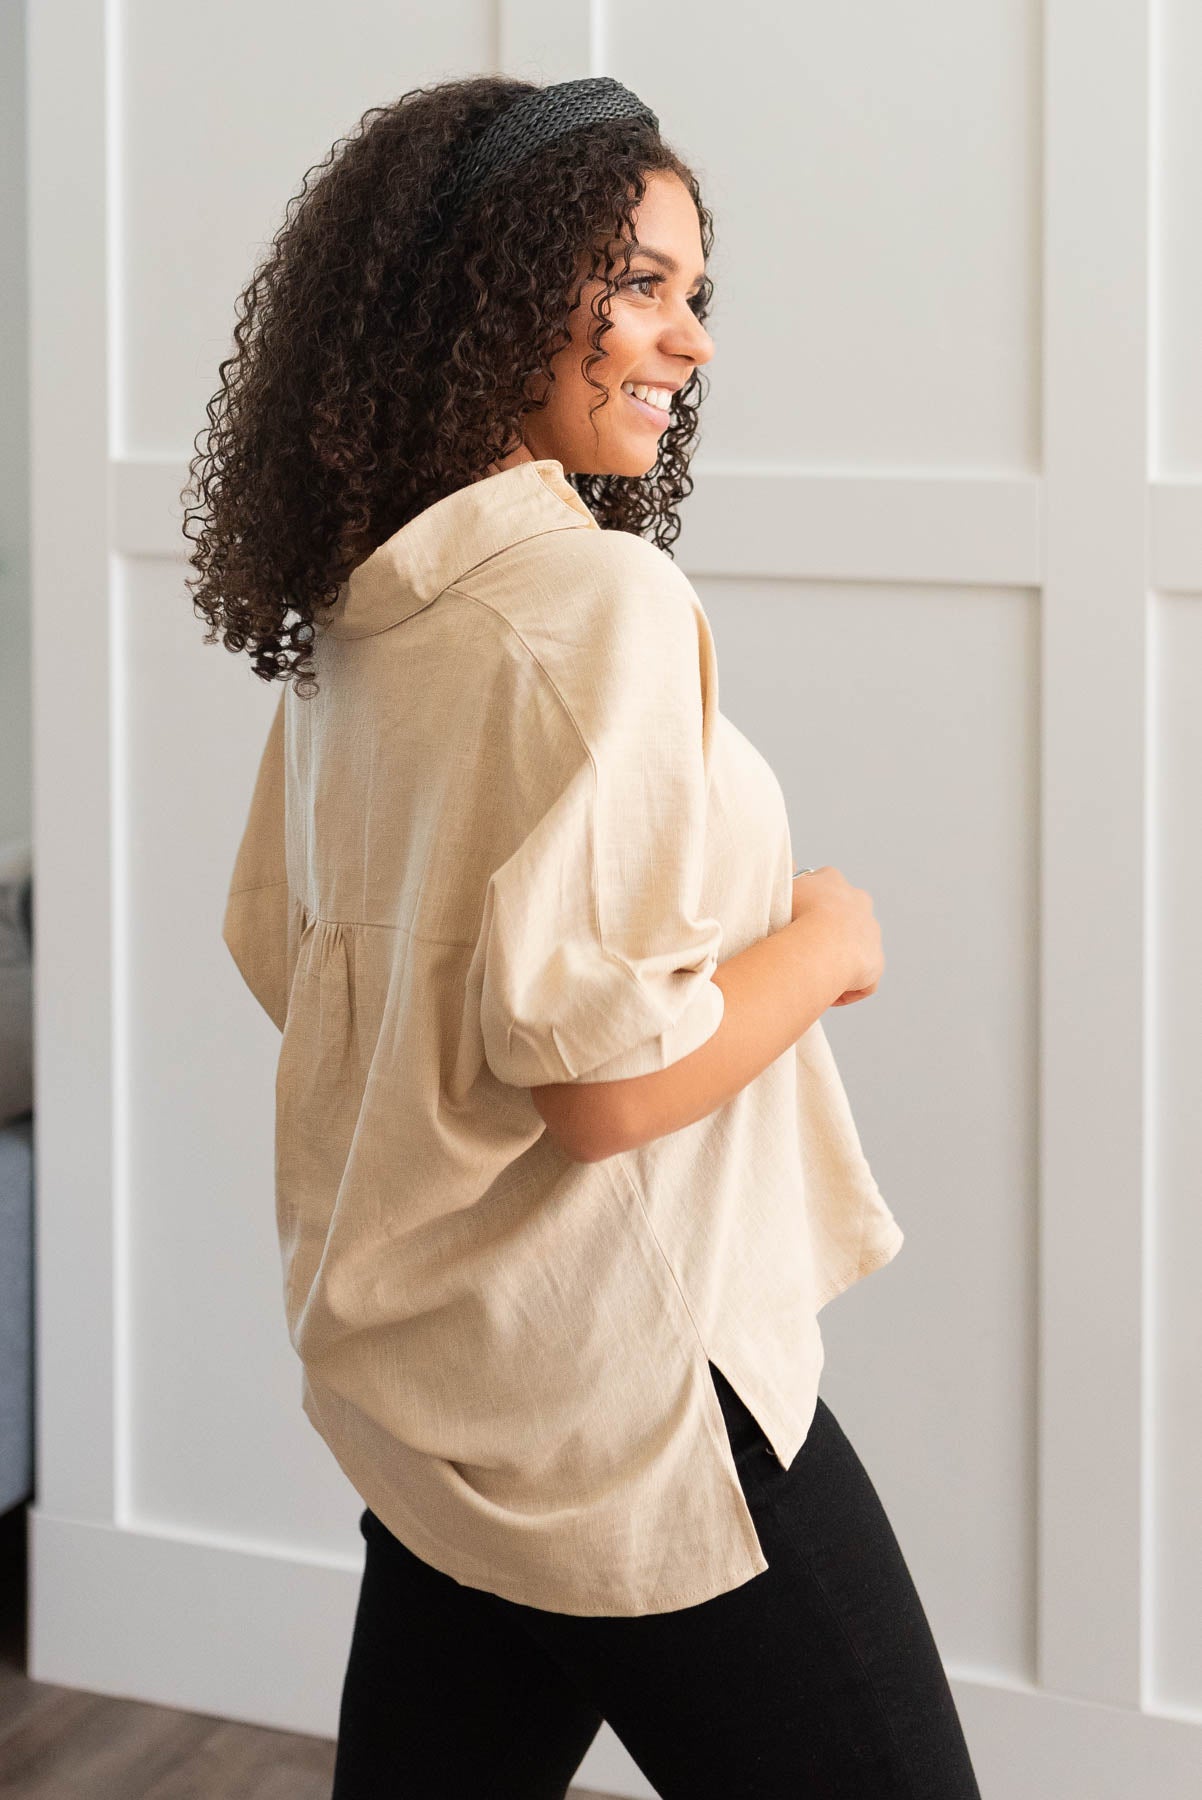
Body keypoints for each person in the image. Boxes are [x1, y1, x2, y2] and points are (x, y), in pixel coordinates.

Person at [193, 72, 982, 1800]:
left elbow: (285, 958)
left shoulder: (361, 613)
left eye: (694, 293)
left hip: (437, 1380)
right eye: (634, 281)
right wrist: (825, 942)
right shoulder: (594, 602)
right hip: (631, 1399)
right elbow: (602, 1096)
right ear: (492, 281)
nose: (683, 340)